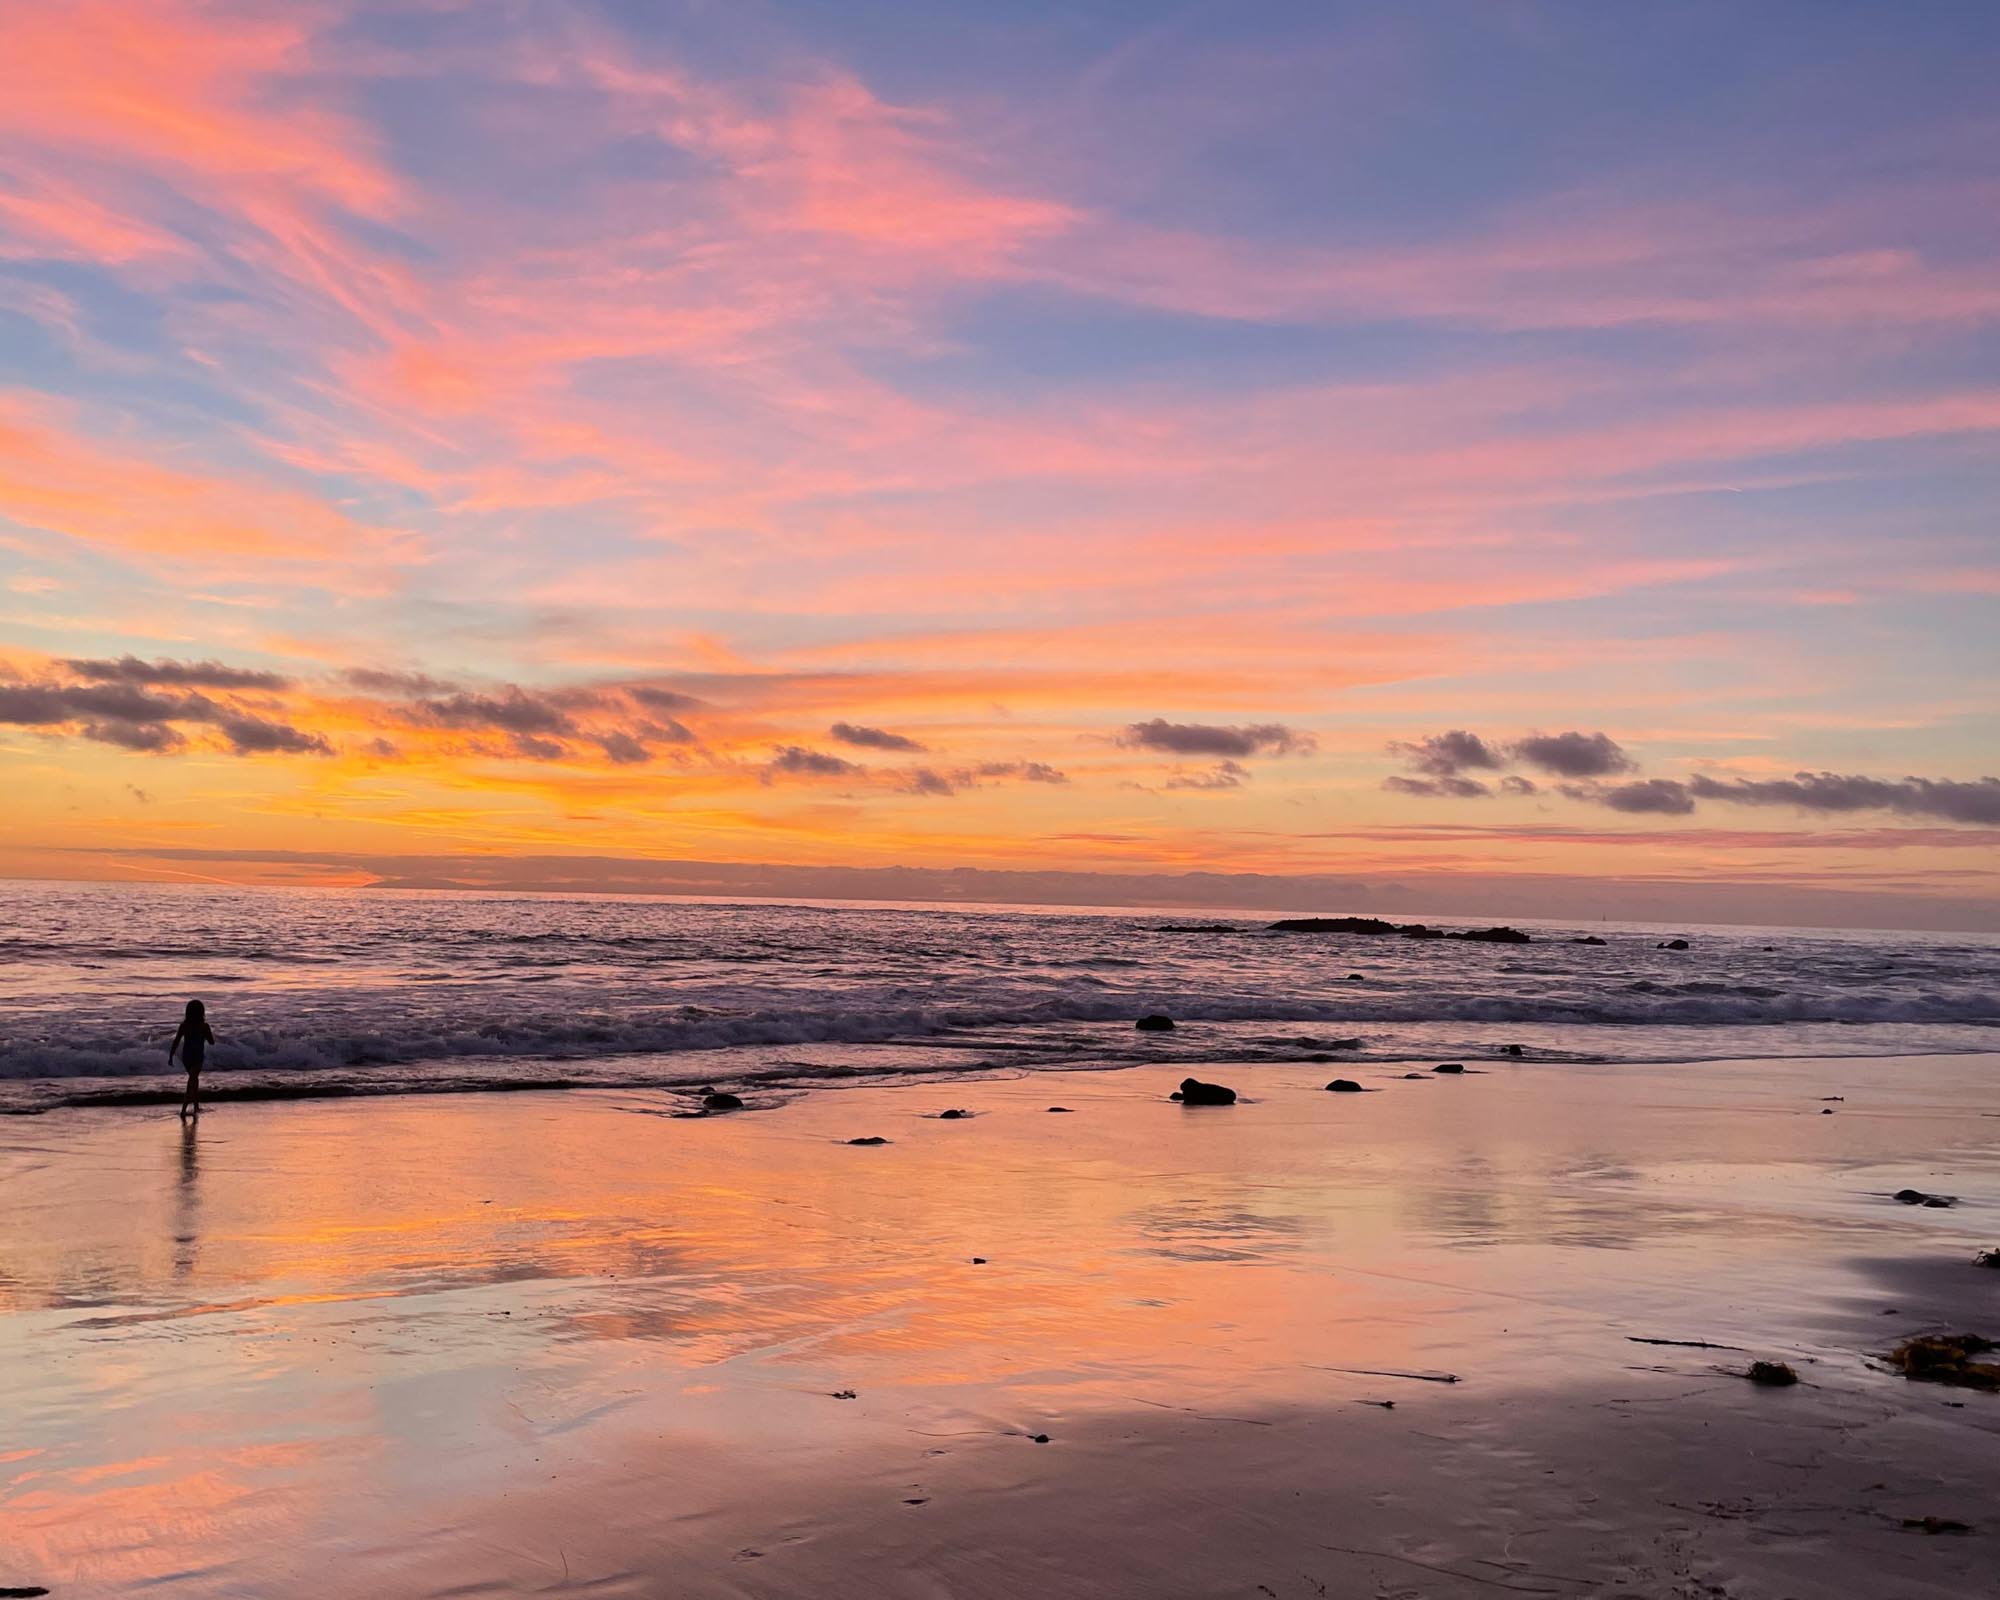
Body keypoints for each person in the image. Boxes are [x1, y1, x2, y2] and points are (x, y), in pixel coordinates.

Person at [169, 999, 214, 1119]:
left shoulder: (184, 1025)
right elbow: (211, 1042)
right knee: (192, 1081)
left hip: (187, 1057)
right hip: (198, 1056)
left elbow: (176, 1041)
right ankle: (183, 1109)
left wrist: (171, 1055)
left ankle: (196, 1106)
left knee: (193, 1079)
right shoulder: (204, 1026)